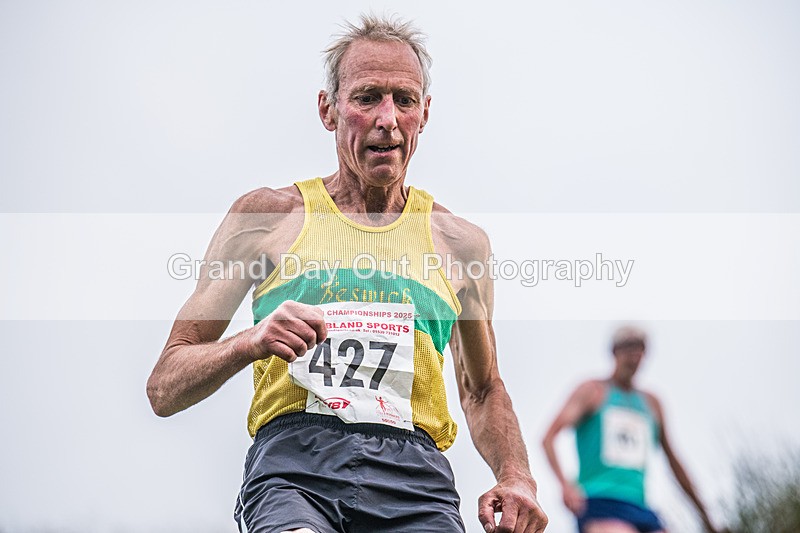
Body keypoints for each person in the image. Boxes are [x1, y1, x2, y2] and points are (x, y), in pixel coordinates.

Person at [146, 14, 548, 533]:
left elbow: (482, 388)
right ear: (328, 109)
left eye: (404, 100)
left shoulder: (460, 243)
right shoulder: (266, 217)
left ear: (424, 114)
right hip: (295, 466)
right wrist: (250, 341)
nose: (388, 118)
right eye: (367, 98)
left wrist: (517, 476)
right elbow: (164, 387)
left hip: (415, 481)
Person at [541, 326, 725, 533]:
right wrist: (565, 485)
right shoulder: (593, 391)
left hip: (639, 505)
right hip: (599, 503)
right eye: (628, 347)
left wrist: (706, 517)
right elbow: (548, 438)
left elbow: (674, 463)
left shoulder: (651, 404)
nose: (634, 354)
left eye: (640, 348)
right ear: (614, 351)